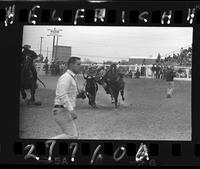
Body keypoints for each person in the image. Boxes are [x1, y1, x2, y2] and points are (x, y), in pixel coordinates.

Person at [51, 57, 82, 139]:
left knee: (73, 135)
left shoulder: (71, 77)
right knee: (72, 135)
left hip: (63, 110)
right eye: (78, 64)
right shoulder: (66, 77)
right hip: (61, 110)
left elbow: (68, 94)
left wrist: (79, 94)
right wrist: (71, 110)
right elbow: (62, 95)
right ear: (71, 65)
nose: (80, 66)